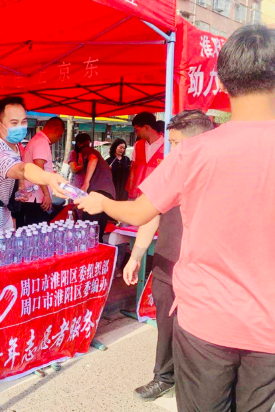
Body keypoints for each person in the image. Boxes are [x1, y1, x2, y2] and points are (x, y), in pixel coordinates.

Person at [75, 25, 275, 411]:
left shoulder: (194, 152)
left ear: (221, 81)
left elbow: (139, 212)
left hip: (205, 319)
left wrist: (102, 202)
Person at [124, 110, 214, 402]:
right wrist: (136, 255)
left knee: (201, 334)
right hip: (167, 261)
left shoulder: (220, 174)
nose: (171, 150)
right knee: (166, 324)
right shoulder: (169, 171)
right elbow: (150, 214)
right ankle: (164, 377)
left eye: (175, 143)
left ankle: (196, 385)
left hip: (204, 268)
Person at [0, 96, 67, 230]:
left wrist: (20, 185)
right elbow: (21, 169)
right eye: (14, 123)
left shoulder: (12, 142)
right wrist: (48, 178)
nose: (20, 127)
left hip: (3, 212)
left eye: (23, 121)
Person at [21, 117, 65, 225]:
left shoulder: (37, 140)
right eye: (60, 135)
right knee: (39, 229)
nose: (58, 139)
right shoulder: (42, 142)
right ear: (57, 131)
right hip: (36, 197)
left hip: (33, 196)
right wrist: (46, 194)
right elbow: (39, 169)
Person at [77, 133, 115, 240]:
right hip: (108, 192)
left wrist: (86, 183)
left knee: (88, 230)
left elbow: (93, 159)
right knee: (98, 231)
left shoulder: (86, 150)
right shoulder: (97, 152)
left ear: (79, 144)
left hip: (97, 191)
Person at [125, 112, 164, 199]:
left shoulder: (167, 146)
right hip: (138, 195)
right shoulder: (138, 145)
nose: (136, 133)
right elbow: (133, 169)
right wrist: (130, 192)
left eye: (137, 130)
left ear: (146, 127)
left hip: (157, 196)